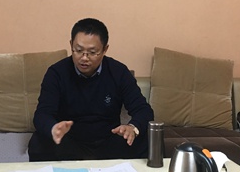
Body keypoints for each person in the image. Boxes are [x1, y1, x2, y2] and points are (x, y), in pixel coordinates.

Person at [28, 18, 154, 161]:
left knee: (148, 139)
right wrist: (53, 128)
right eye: (78, 50)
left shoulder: (118, 72)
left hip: (108, 140)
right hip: (69, 141)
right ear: (71, 45)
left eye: (92, 52)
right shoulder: (56, 73)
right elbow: (42, 113)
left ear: (105, 49)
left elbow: (143, 110)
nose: (84, 58)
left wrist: (132, 127)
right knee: (38, 142)